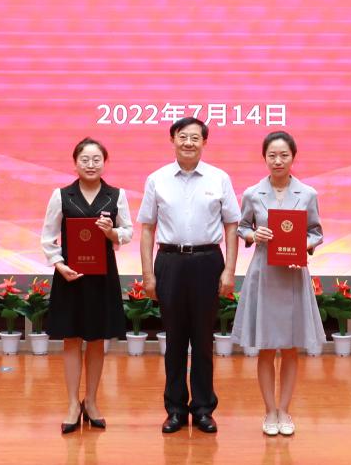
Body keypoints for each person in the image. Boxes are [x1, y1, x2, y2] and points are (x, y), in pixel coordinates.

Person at [138, 117, 240, 434]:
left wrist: (229, 270)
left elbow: (232, 226)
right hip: (169, 261)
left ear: (204, 142)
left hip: (208, 261)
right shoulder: (157, 179)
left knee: (203, 339)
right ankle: (176, 410)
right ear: (173, 139)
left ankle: (204, 409)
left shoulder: (219, 178)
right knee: (175, 340)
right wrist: (148, 274)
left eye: (195, 137)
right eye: (183, 136)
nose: (189, 143)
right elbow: (147, 229)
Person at [231, 131, 325, 437]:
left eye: (284, 155)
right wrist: (252, 235)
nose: (278, 161)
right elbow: (241, 227)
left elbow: (316, 232)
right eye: (272, 155)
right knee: (267, 348)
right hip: (265, 275)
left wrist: (303, 245)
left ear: (293, 157)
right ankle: (269, 410)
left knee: (291, 347)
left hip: (293, 274)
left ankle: (285, 410)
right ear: (264, 158)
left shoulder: (307, 193)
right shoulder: (252, 194)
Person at [40, 137, 133, 434]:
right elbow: (48, 237)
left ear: (104, 163)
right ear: (75, 163)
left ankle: (91, 401)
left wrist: (112, 233)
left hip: (102, 277)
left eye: (96, 160)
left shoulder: (115, 195)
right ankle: (72, 404)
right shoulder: (61, 195)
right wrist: (59, 265)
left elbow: (128, 232)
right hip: (70, 277)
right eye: (85, 159)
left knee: (96, 340)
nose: (91, 165)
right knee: (71, 339)